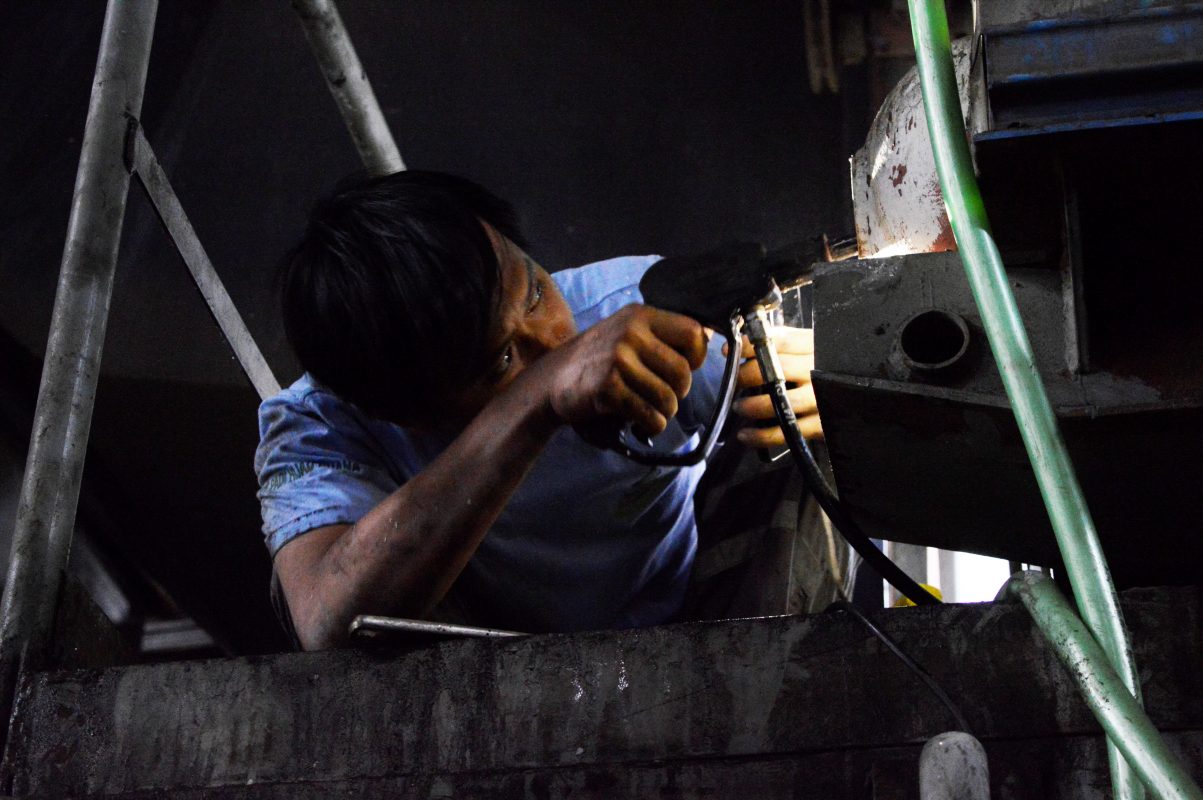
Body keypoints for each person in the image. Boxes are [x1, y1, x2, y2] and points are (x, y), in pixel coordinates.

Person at [255, 170, 822, 650]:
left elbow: (819, 394)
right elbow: (327, 621)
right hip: (501, 671)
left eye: (533, 292)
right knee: (377, 606)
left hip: (704, 614)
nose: (554, 341)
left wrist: (824, 395)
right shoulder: (319, 425)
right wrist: (538, 399)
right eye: (502, 359)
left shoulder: (641, 309)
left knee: (795, 444)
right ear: (405, 414)